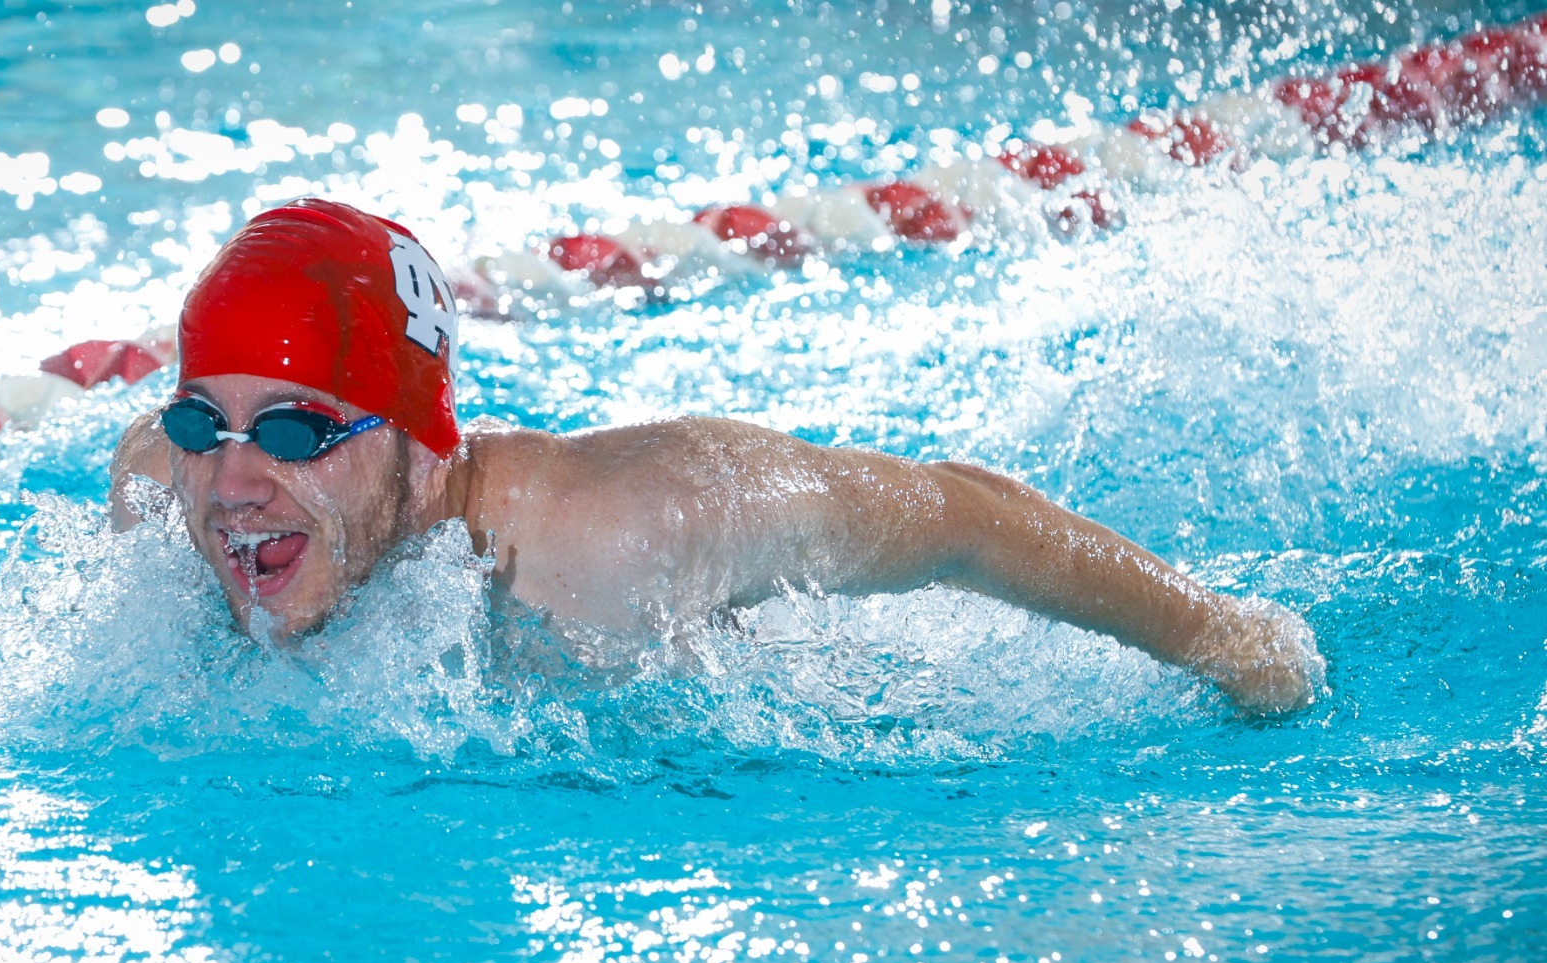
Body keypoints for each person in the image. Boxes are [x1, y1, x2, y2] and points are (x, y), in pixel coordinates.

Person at [109, 198, 1322, 713]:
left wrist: (1220, 637)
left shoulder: (634, 525)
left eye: (292, 430)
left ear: (423, 446)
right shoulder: (160, 494)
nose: (230, 485)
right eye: (198, 422)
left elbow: (963, 515)